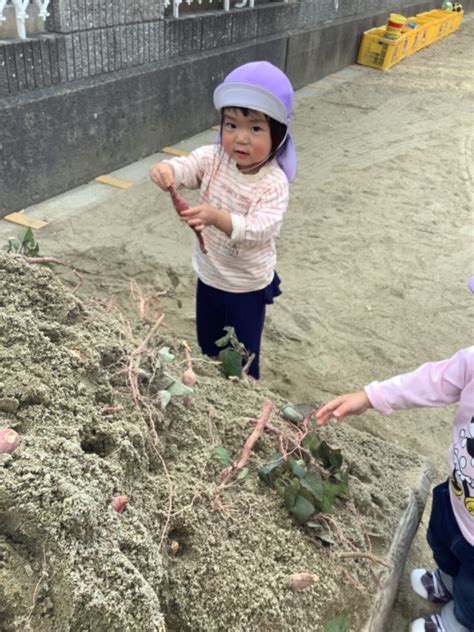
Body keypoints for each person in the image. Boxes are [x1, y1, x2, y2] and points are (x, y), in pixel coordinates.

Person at [316, 280, 474, 632]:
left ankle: (457, 621)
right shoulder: (472, 362)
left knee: (473, 593)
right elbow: (430, 381)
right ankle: (446, 582)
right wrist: (370, 396)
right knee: (443, 543)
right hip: (459, 496)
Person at [149, 61, 296, 379]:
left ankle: (242, 390)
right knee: (208, 338)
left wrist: (217, 218)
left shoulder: (273, 183)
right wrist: (168, 171)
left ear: (278, 135)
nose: (240, 138)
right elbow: (188, 167)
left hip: (246, 284)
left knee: (242, 353)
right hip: (210, 273)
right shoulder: (214, 158)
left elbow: (260, 228)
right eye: (231, 125)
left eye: (255, 128)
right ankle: (212, 374)